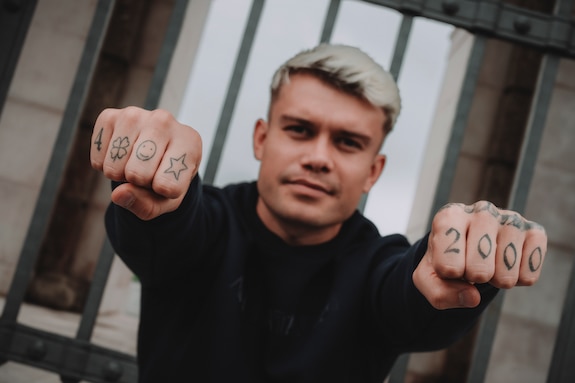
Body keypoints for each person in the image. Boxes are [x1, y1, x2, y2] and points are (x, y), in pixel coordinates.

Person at [90, 44, 547, 382]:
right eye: (300, 130)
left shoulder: (376, 266)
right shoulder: (209, 224)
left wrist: (454, 268)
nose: (319, 157)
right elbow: (169, 231)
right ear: (261, 140)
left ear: (373, 171)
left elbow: (408, 294)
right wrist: (157, 187)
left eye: (348, 142)